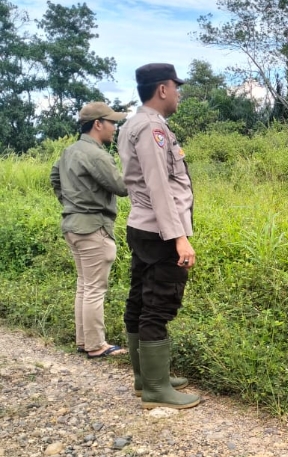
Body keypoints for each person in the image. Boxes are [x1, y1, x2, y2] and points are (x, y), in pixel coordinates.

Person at [117, 63, 200, 410]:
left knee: (139, 300)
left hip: (143, 225)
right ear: (162, 89)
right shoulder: (152, 128)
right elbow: (158, 185)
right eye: (176, 87)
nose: (178, 94)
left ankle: (147, 378)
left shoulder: (130, 124)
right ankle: (155, 389)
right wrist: (178, 236)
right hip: (159, 230)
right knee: (158, 304)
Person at [50, 101, 129, 359]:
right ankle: (97, 346)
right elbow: (121, 187)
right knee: (94, 288)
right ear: (98, 124)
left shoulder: (69, 151)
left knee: (84, 286)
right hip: (94, 227)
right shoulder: (96, 154)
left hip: (72, 225)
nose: (114, 128)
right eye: (112, 122)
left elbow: (54, 177)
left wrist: (70, 203)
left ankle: (85, 341)